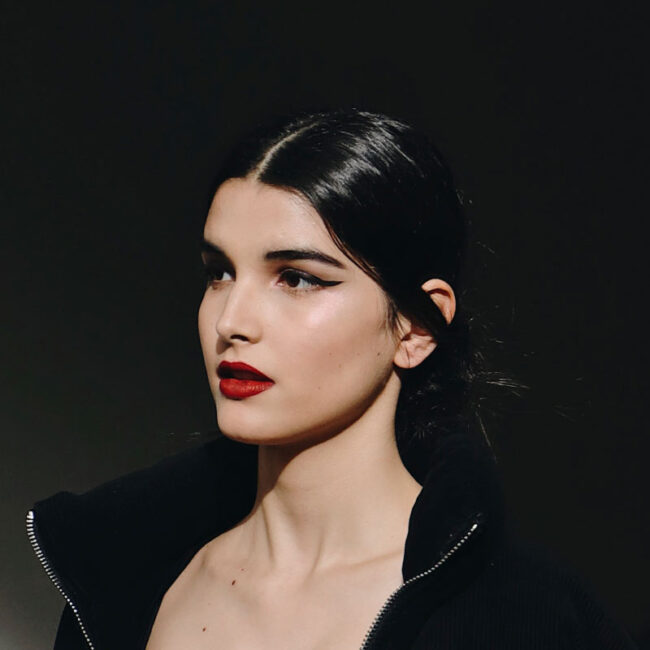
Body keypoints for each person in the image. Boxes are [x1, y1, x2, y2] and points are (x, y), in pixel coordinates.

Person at [27, 109, 637, 649]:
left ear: (416, 328)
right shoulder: (116, 580)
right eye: (219, 272)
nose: (232, 321)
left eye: (297, 278)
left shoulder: (525, 618)